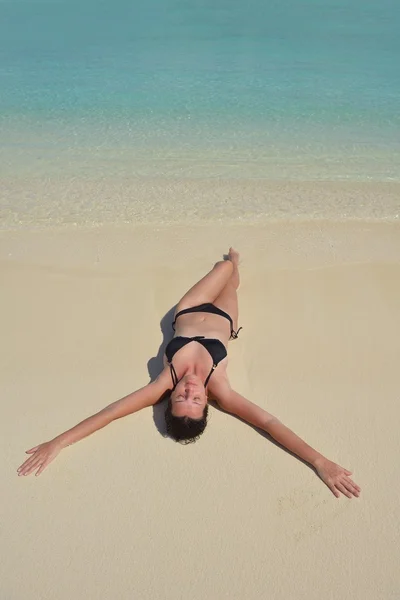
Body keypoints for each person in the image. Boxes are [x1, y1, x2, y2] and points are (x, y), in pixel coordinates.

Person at [17, 248, 361, 499]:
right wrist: (320, 462)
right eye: (196, 399)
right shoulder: (221, 388)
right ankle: (234, 264)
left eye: (182, 398)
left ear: (170, 400)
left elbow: (109, 413)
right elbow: (270, 424)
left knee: (225, 266)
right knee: (234, 280)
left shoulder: (162, 382)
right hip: (226, 320)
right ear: (207, 401)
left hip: (191, 307)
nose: (189, 390)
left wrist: (58, 442)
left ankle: (230, 260)